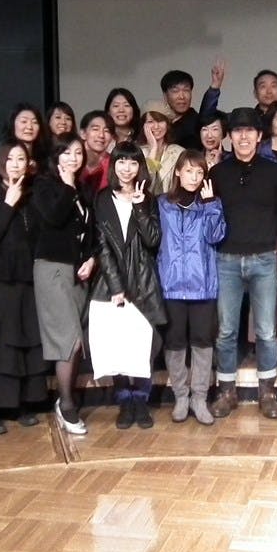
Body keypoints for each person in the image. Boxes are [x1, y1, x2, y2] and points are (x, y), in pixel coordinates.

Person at [209, 107, 277, 418]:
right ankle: (226, 391)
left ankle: (267, 392)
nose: (243, 136)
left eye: (249, 131)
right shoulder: (218, 173)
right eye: (237, 131)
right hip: (226, 260)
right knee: (226, 331)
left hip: (263, 259)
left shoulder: (273, 171)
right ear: (230, 137)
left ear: (259, 136)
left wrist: (266, 240)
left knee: (266, 331)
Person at [90, 141, 164, 430]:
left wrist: (140, 207)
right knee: (117, 345)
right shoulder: (102, 199)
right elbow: (101, 245)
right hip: (111, 283)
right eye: (121, 161)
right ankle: (124, 400)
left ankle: (141, 401)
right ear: (114, 165)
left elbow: (153, 240)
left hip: (143, 281)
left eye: (133, 162)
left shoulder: (148, 198)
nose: (127, 168)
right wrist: (115, 286)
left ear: (140, 167)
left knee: (143, 344)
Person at [0, 140, 47, 433]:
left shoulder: (33, 195)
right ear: (0, 163)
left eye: (21, 159)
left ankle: (21, 403)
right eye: (10, 159)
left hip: (28, 280)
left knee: (25, 340)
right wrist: (8, 202)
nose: (16, 164)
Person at [30, 137, 96, 434]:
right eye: (66, 153)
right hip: (52, 269)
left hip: (78, 272)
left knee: (76, 340)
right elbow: (54, 218)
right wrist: (67, 185)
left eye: (78, 153)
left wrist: (92, 259)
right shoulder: (44, 185)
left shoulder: (83, 189)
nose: (73, 158)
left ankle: (66, 398)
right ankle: (67, 404)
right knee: (68, 340)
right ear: (56, 156)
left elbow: (90, 233)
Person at [157, 150, 226, 425]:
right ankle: (180, 397)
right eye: (189, 171)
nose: (194, 177)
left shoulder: (211, 203)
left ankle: (199, 398)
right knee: (174, 342)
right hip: (171, 285)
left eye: (199, 172)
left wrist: (210, 205)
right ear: (177, 172)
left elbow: (216, 236)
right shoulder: (162, 204)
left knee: (202, 341)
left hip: (202, 286)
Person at [162, 66, 223, 150]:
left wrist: (214, 87)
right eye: (175, 91)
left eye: (186, 90)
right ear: (165, 96)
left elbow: (207, 112)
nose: (182, 96)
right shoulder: (161, 123)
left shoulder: (196, 121)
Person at [140, 102, 184, 194]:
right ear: (143, 125)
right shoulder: (138, 152)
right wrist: (153, 149)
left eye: (160, 121)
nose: (156, 126)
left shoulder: (178, 152)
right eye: (150, 122)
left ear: (167, 124)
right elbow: (147, 185)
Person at [3, 102, 50, 174]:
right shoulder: (2, 155)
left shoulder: (46, 157)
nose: (29, 127)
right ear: (12, 124)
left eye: (34, 122)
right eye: (24, 121)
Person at [79, 110, 114, 196]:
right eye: (95, 129)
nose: (101, 135)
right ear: (83, 133)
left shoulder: (114, 164)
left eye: (106, 131)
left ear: (112, 137)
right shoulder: (72, 160)